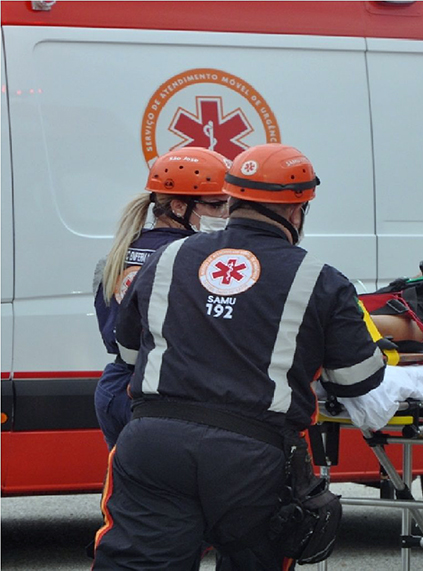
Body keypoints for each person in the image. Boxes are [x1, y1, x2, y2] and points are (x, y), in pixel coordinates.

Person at [92, 143, 386, 570]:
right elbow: (359, 379)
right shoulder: (320, 279)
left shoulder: (167, 258)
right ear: (297, 210)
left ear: (231, 199)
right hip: (253, 458)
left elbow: (130, 352)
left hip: (154, 444)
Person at [92, 146, 231, 450]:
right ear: (179, 207)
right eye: (217, 205)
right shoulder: (195, 259)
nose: (226, 215)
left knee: (127, 490)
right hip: (162, 395)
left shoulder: (117, 254)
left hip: (115, 385)